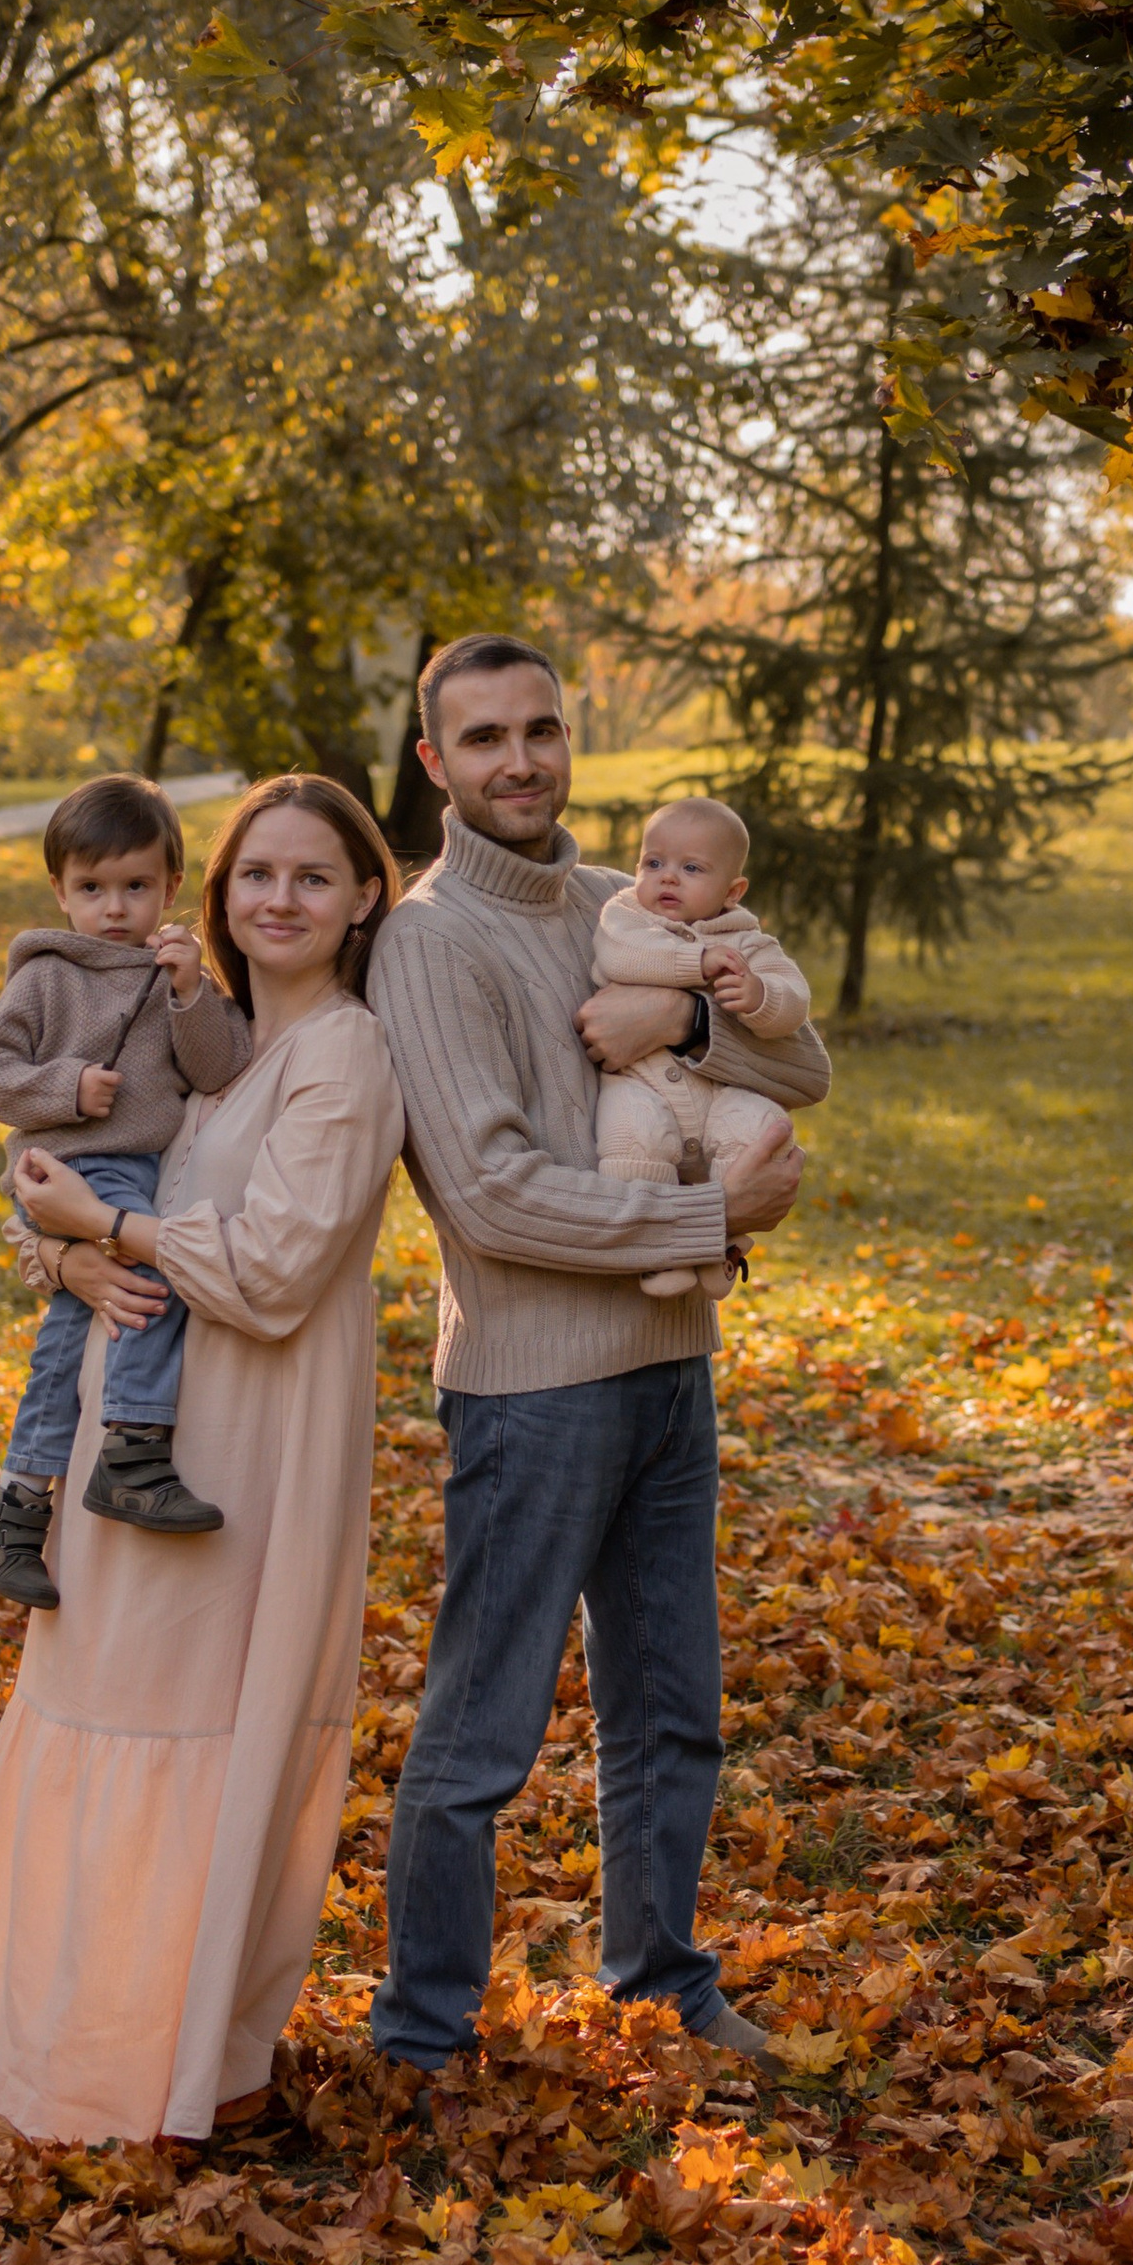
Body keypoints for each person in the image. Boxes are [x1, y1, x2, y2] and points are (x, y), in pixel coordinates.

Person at [366, 632, 826, 2086]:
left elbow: (802, 1069)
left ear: (571, 740)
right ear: (436, 764)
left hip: (669, 1367)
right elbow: (490, 1194)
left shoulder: (630, 901)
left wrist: (687, 1013)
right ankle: (425, 2034)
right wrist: (706, 1209)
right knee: (483, 1734)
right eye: (485, 738)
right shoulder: (429, 940)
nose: (521, 760)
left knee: (673, 1709)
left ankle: (660, 1981)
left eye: (542, 730)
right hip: (532, 1386)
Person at [0, 775, 405, 2145]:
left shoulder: (346, 1057)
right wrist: (69, 1247)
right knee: (102, 1707)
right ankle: (73, 2048)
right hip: (127, 1432)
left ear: (364, 896)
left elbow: (273, 1270)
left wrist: (113, 1240)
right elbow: (60, 1178)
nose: (280, 900)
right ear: (221, 892)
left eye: (313, 878)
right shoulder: (211, 1036)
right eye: (258, 875)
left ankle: (204, 2068)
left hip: (254, 1439)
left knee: (209, 1733)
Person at [0, 777, 255, 1608]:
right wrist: (63, 1088)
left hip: (133, 1171)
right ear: (61, 892)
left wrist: (194, 993)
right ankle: (131, 1445)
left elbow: (217, 1068)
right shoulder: (47, 977)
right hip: (68, 1168)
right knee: (149, 1276)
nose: (114, 908)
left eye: (134, 887)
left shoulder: (177, 979)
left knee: (67, 1332)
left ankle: (17, 1506)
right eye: (91, 889)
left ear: (170, 887)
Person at [591, 797, 816, 1298]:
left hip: (719, 1093)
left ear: (732, 891)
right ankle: (657, 1254)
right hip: (641, 1084)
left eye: (691, 868)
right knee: (630, 1135)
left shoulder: (749, 942)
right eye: (654, 863)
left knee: (758, 1124)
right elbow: (625, 958)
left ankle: (724, 1245)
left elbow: (794, 998)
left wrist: (761, 996)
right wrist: (698, 962)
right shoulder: (626, 917)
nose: (667, 878)